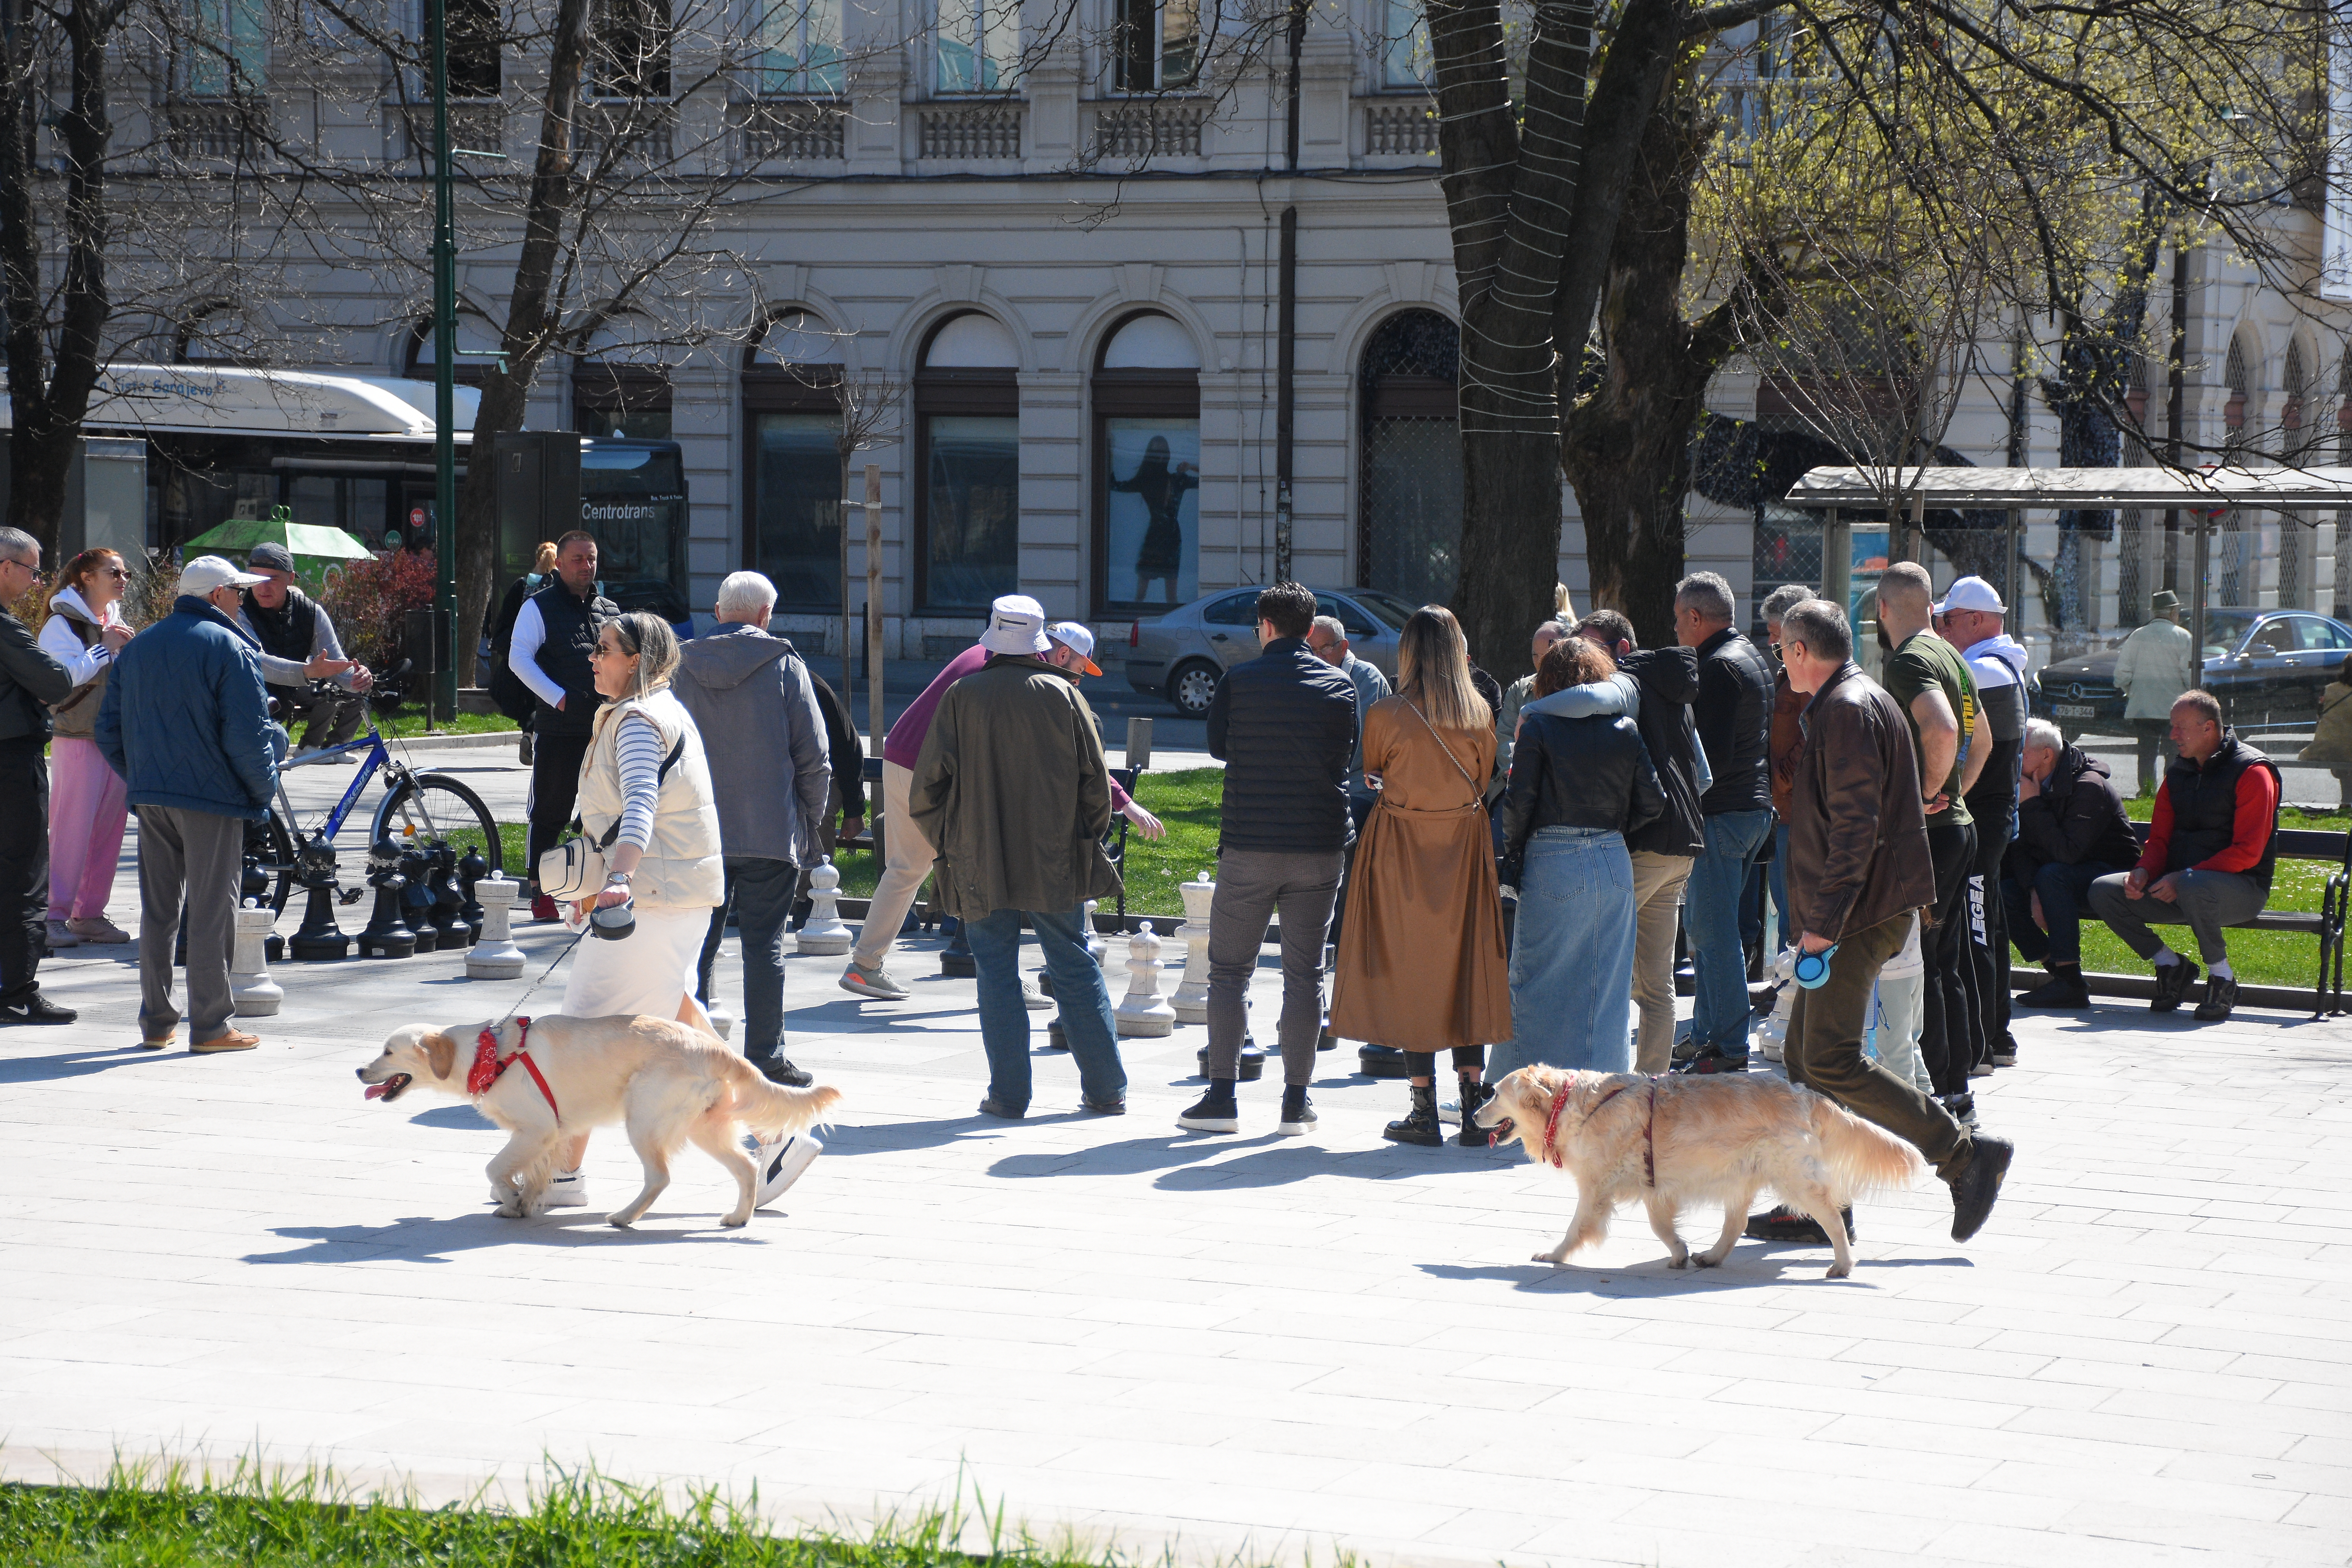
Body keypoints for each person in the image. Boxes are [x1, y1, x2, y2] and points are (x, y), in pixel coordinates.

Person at [1754, 597, 2014, 1246]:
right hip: (1861, 908)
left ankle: (1963, 1157)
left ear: (1799, 651)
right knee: (1802, 1057)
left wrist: (1822, 924)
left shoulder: (1845, 709)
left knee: (1831, 1059)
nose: (1780, 660)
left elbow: (1854, 829)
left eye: (1782, 649)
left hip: (1855, 914)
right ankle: (1820, 1202)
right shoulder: (1857, 697)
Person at [844, 621, 1158, 1000]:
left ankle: (865, 965)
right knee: (986, 866)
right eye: (1079, 669)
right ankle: (1002, 978)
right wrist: (1125, 802)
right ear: (1062, 655)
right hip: (931, 770)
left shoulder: (987, 651)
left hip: (899, 756)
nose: (1078, 681)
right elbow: (1073, 754)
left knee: (906, 869)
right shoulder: (1029, 681)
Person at [534, 611, 728, 1209]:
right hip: (671, 898)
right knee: (682, 1026)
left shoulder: (640, 719)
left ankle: (562, 1177)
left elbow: (640, 803)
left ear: (638, 661)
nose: (594, 657)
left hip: (648, 902)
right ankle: (772, 1140)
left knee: (580, 1035)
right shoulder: (657, 709)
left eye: (606, 649)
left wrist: (617, 880)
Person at [909, 594, 1128, 1118]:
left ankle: (1009, 1095)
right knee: (1074, 964)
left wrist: (954, 841)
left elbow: (926, 792)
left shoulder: (963, 696)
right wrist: (1080, 838)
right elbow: (1097, 791)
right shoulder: (1066, 697)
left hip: (979, 857)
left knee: (996, 972)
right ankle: (1106, 1088)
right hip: (1055, 857)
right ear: (1039, 643)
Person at [1174, 583, 1357, 1137]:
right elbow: (1343, 757)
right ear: (1309, 628)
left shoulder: (1240, 680)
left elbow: (1218, 747)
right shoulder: (1339, 686)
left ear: (1266, 626)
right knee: (1306, 974)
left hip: (1251, 843)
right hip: (1317, 846)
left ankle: (1223, 1098)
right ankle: (1296, 1103)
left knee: (1229, 972)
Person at [1329, 605, 1512, 1147]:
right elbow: (1482, 780)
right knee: (1466, 970)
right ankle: (1477, 1112)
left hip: (1401, 850)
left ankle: (1423, 1109)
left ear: (1408, 652)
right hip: (1463, 850)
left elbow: (1375, 768)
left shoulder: (1386, 713)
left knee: (1412, 971)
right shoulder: (1479, 713)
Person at [94, 554, 279, 1051]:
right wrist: (261, 794)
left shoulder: (139, 649)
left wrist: (143, 779)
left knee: (159, 912)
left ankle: (157, 1022)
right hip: (212, 798)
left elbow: (107, 731)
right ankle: (212, 1025)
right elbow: (247, 736)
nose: (242, 601)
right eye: (238, 593)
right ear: (218, 595)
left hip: (153, 796)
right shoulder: (229, 647)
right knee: (213, 909)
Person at [1486, 637, 1664, 1083]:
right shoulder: (1625, 727)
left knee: (1532, 982)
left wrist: (1516, 852)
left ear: (1548, 681)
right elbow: (1654, 800)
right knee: (1606, 990)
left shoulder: (1540, 726)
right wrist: (1614, 826)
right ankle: (1603, 1093)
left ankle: (1510, 1095)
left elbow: (1519, 800)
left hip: (1553, 854)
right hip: (1611, 854)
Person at [678, 572, 833, 1085]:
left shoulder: (679, 667)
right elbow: (814, 757)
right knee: (764, 947)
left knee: (696, 945)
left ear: (720, 612)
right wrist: (810, 822)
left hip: (699, 834)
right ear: (766, 616)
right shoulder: (786, 665)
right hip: (770, 831)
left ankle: (689, 1056)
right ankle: (766, 1055)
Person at [1563, 608, 1706, 1074]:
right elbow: (1702, 775)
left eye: (1595, 648)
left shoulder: (1625, 685)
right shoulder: (1674, 688)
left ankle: (1602, 1081)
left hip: (1645, 844)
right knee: (1657, 984)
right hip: (1683, 844)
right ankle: (1653, 1089)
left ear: (1622, 649)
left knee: (1600, 969)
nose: (1587, 659)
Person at [2088, 689, 2279, 1023]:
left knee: (2194, 884)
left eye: (2180, 727)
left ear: (2209, 728)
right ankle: (2170, 965)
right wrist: (2145, 871)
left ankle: (2223, 978)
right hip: (2181, 885)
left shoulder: (2253, 772)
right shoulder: (2177, 774)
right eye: (2172, 726)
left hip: (2242, 889)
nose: (2172, 734)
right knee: (2104, 890)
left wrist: (2183, 877)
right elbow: (2160, 839)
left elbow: (2248, 852)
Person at [1877, 561, 1990, 1115]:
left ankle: (1945, 1088)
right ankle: (1957, 1083)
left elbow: (1943, 728)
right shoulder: (1950, 654)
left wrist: (1924, 800)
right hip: (1957, 827)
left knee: (1930, 966)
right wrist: (1954, 792)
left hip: (1933, 833)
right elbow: (1984, 741)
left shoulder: (1909, 661)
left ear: (1881, 609)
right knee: (1946, 962)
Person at [1675, 571, 1775, 1073]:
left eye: (1678, 622)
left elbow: (1705, 761)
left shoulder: (1717, 667)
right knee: (1711, 928)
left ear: (1695, 618)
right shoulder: (1751, 656)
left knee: (1712, 935)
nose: (1676, 632)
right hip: (1752, 812)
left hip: (1724, 813)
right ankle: (1705, 1034)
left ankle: (1729, 1046)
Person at [1941, 575, 2029, 1071]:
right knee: (1988, 926)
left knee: (1977, 931)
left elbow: (1970, 748)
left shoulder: (1985, 672)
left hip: (1982, 817)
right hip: (1993, 817)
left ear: (1977, 620)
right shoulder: (2001, 665)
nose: (1943, 629)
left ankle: (1985, 1038)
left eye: (1949, 620)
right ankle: (1997, 1033)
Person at [510, 531, 619, 920]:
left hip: (603, 733)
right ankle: (539, 893)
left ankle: (591, 892)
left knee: (602, 814)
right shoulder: (538, 608)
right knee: (550, 814)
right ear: (558, 563)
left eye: (591, 559)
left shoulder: (609, 609)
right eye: (577, 559)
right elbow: (518, 659)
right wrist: (559, 698)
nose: (585, 566)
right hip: (559, 731)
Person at [2005, 717, 2141, 1009]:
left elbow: (2069, 853)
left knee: (2054, 875)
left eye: (2022, 752)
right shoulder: (2029, 784)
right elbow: (2020, 847)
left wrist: (2031, 805)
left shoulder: (2089, 787)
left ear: (2046, 755)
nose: (2014, 759)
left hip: (2111, 877)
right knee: (2003, 891)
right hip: (2057, 876)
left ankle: (2068, 982)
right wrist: (2032, 891)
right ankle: (2063, 975)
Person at [40, 547, 136, 950]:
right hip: (77, 738)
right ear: (85, 578)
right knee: (70, 830)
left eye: (126, 573)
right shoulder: (61, 623)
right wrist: (104, 648)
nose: (122, 579)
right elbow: (58, 680)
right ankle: (52, 915)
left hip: (115, 739)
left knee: (108, 832)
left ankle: (90, 914)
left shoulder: (115, 622)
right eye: (112, 572)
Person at [0, 528, 76, 1022]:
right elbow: (58, 680)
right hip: (12, 762)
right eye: (31, 569)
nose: (37, 579)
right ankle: (18, 990)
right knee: (25, 874)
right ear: (5, 567)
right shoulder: (6, 629)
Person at [237, 542, 371, 759]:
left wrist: (359, 679)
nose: (263, 588)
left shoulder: (311, 613)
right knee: (275, 744)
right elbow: (257, 662)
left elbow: (339, 667)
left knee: (350, 695)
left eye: (273, 579)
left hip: (282, 702)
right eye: (256, 578)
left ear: (291, 579)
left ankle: (332, 748)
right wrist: (307, 672)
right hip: (242, 705)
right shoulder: (238, 609)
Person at [1760, 584, 1817, 956]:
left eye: (1773, 633)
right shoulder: (1790, 672)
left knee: (1794, 909)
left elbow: (1813, 733)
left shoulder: (1808, 675)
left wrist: (1780, 778)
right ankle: (1788, 988)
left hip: (1795, 811)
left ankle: (1792, 993)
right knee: (1786, 906)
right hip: (1785, 809)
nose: (1769, 642)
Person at [2114, 590, 2196, 795]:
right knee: (2174, 752)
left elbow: (2121, 676)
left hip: (2143, 707)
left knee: (2147, 753)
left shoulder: (2137, 636)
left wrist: (2133, 691)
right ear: (2172, 613)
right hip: (2174, 708)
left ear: (2154, 613)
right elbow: (2188, 675)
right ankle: (2171, 792)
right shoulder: (2183, 637)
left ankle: (2147, 791)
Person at [485, 540, 559, 764]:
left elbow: (504, 620)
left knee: (523, 698)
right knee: (547, 698)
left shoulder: (523, 586)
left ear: (537, 559)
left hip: (521, 655)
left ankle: (528, 731)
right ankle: (534, 734)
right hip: (549, 656)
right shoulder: (559, 588)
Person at [1489, 617, 1572, 811]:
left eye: (1549, 656)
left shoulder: (1580, 690)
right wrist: (1521, 776)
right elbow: (1504, 739)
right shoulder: (1520, 690)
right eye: (1536, 656)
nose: (1541, 663)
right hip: (1516, 784)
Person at [1111, 434, 1200, 605]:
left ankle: (1168, 625)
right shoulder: (1147, 481)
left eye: (1163, 453)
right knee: (1142, 593)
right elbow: (1115, 485)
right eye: (1156, 453)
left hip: (1171, 537)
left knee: (1171, 594)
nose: (1160, 457)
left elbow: (1208, 479)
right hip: (1157, 536)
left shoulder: (1177, 479)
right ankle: (1136, 621)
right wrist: (1110, 454)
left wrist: (1191, 467)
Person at [2300, 653, 2352, 810]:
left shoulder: (2329, 690)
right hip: (2348, 750)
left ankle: (2347, 802)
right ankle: (2347, 802)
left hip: (2327, 747)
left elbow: (2319, 715)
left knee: (2344, 757)